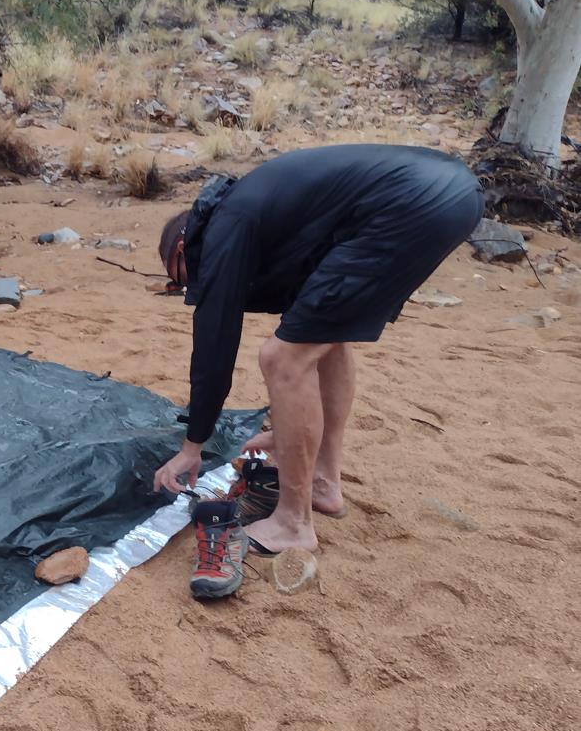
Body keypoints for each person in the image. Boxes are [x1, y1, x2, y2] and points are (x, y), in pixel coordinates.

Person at [152, 144, 484, 573]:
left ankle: (293, 523)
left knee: (281, 358)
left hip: (409, 202)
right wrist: (289, 431)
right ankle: (324, 483)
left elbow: (216, 340)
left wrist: (192, 446)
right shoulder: (267, 218)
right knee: (324, 340)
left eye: (179, 278)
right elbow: (311, 320)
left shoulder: (224, 225)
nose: (187, 288)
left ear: (182, 247)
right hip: (452, 193)